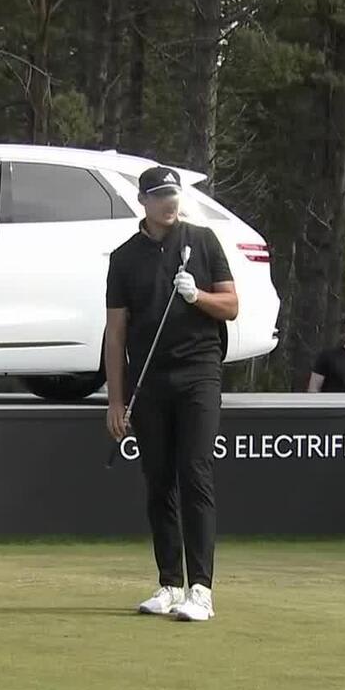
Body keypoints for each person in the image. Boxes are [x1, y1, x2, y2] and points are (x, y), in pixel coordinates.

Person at [105, 165, 237, 622]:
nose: (169, 201)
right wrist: (116, 400)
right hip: (149, 381)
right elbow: (116, 333)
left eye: (174, 194)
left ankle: (201, 589)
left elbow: (232, 306)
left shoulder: (202, 241)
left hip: (199, 374)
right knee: (158, 480)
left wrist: (196, 296)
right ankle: (168, 583)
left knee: (194, 472)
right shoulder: (124, 258)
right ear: (142, 202)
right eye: (160, 195)